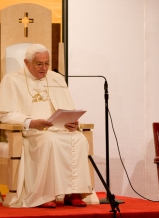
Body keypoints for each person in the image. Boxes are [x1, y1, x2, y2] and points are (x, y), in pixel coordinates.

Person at [0, 44, 93, 208]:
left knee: (79, 139)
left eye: (47, 63)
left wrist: (73, 122)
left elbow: (68, 108)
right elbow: (4, 114)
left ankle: (74, 192)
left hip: (59, 128)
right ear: (26, 62)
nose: (44, 68)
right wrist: (31, 122)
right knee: (49, 140)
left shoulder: (56, 78)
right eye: (39, 64)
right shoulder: (11, 79)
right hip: (30, 130)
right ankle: (43, 194)